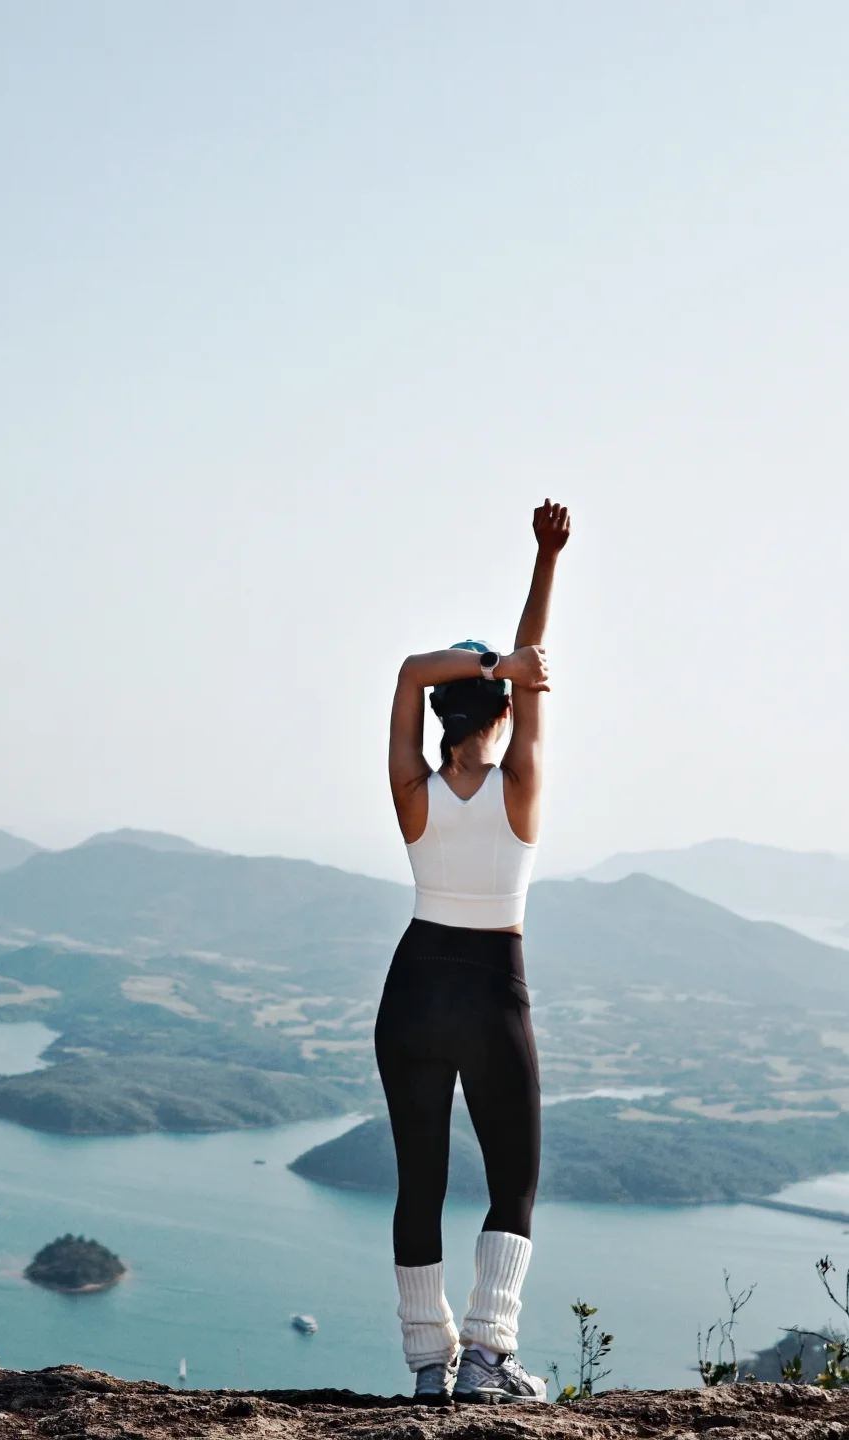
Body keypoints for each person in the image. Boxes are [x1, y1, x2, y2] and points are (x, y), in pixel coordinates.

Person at [376, 499, 571, 1405]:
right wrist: (546, 560)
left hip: (413, 988)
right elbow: (531, 675)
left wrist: (492, 664)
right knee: (514, 1181)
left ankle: (428, 1366)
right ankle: (489, 1358)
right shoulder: (520, 790)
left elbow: (414, 670)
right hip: (493, 989)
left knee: (421, 1182)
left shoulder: (413, 789)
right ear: (500, 716)